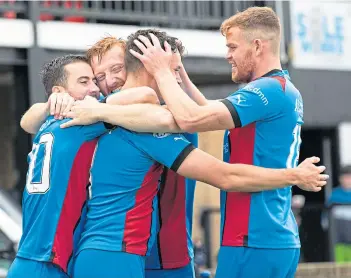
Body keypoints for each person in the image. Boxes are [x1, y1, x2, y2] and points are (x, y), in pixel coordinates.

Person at [68, 29, 327, 278]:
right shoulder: (124, 122)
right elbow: (224, 173)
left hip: (159, 255)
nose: (108, 81)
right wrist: (293, 175)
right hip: (131, 254)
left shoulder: (102, 116)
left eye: (116, 69)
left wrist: (103, 108)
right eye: (98, 77)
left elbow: (194, 113)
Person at [125, 7, 308, 278]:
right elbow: (209, 109)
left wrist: (162, 72)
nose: (227, 55)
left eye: (232, 46)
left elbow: (191, 118)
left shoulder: (263, 91)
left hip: (252, 237)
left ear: (257, 46)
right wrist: (180, 76)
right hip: (275, 236)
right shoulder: (282, 88)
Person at [7, 55, 109, 278]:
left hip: (30, 260)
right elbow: (142, 99)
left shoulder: (48, 123)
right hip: (50, 262)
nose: (95, 89)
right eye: (83, 82)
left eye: (94, 80)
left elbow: (27, 122)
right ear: (59, 92)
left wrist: (45, 106)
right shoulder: (79, 122)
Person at [325, 165, 351, 263]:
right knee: (339, 257)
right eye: (345, 177)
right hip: (338, 231)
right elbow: (326, 212)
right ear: (340, 178)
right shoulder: (335, 194)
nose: (348, 180)